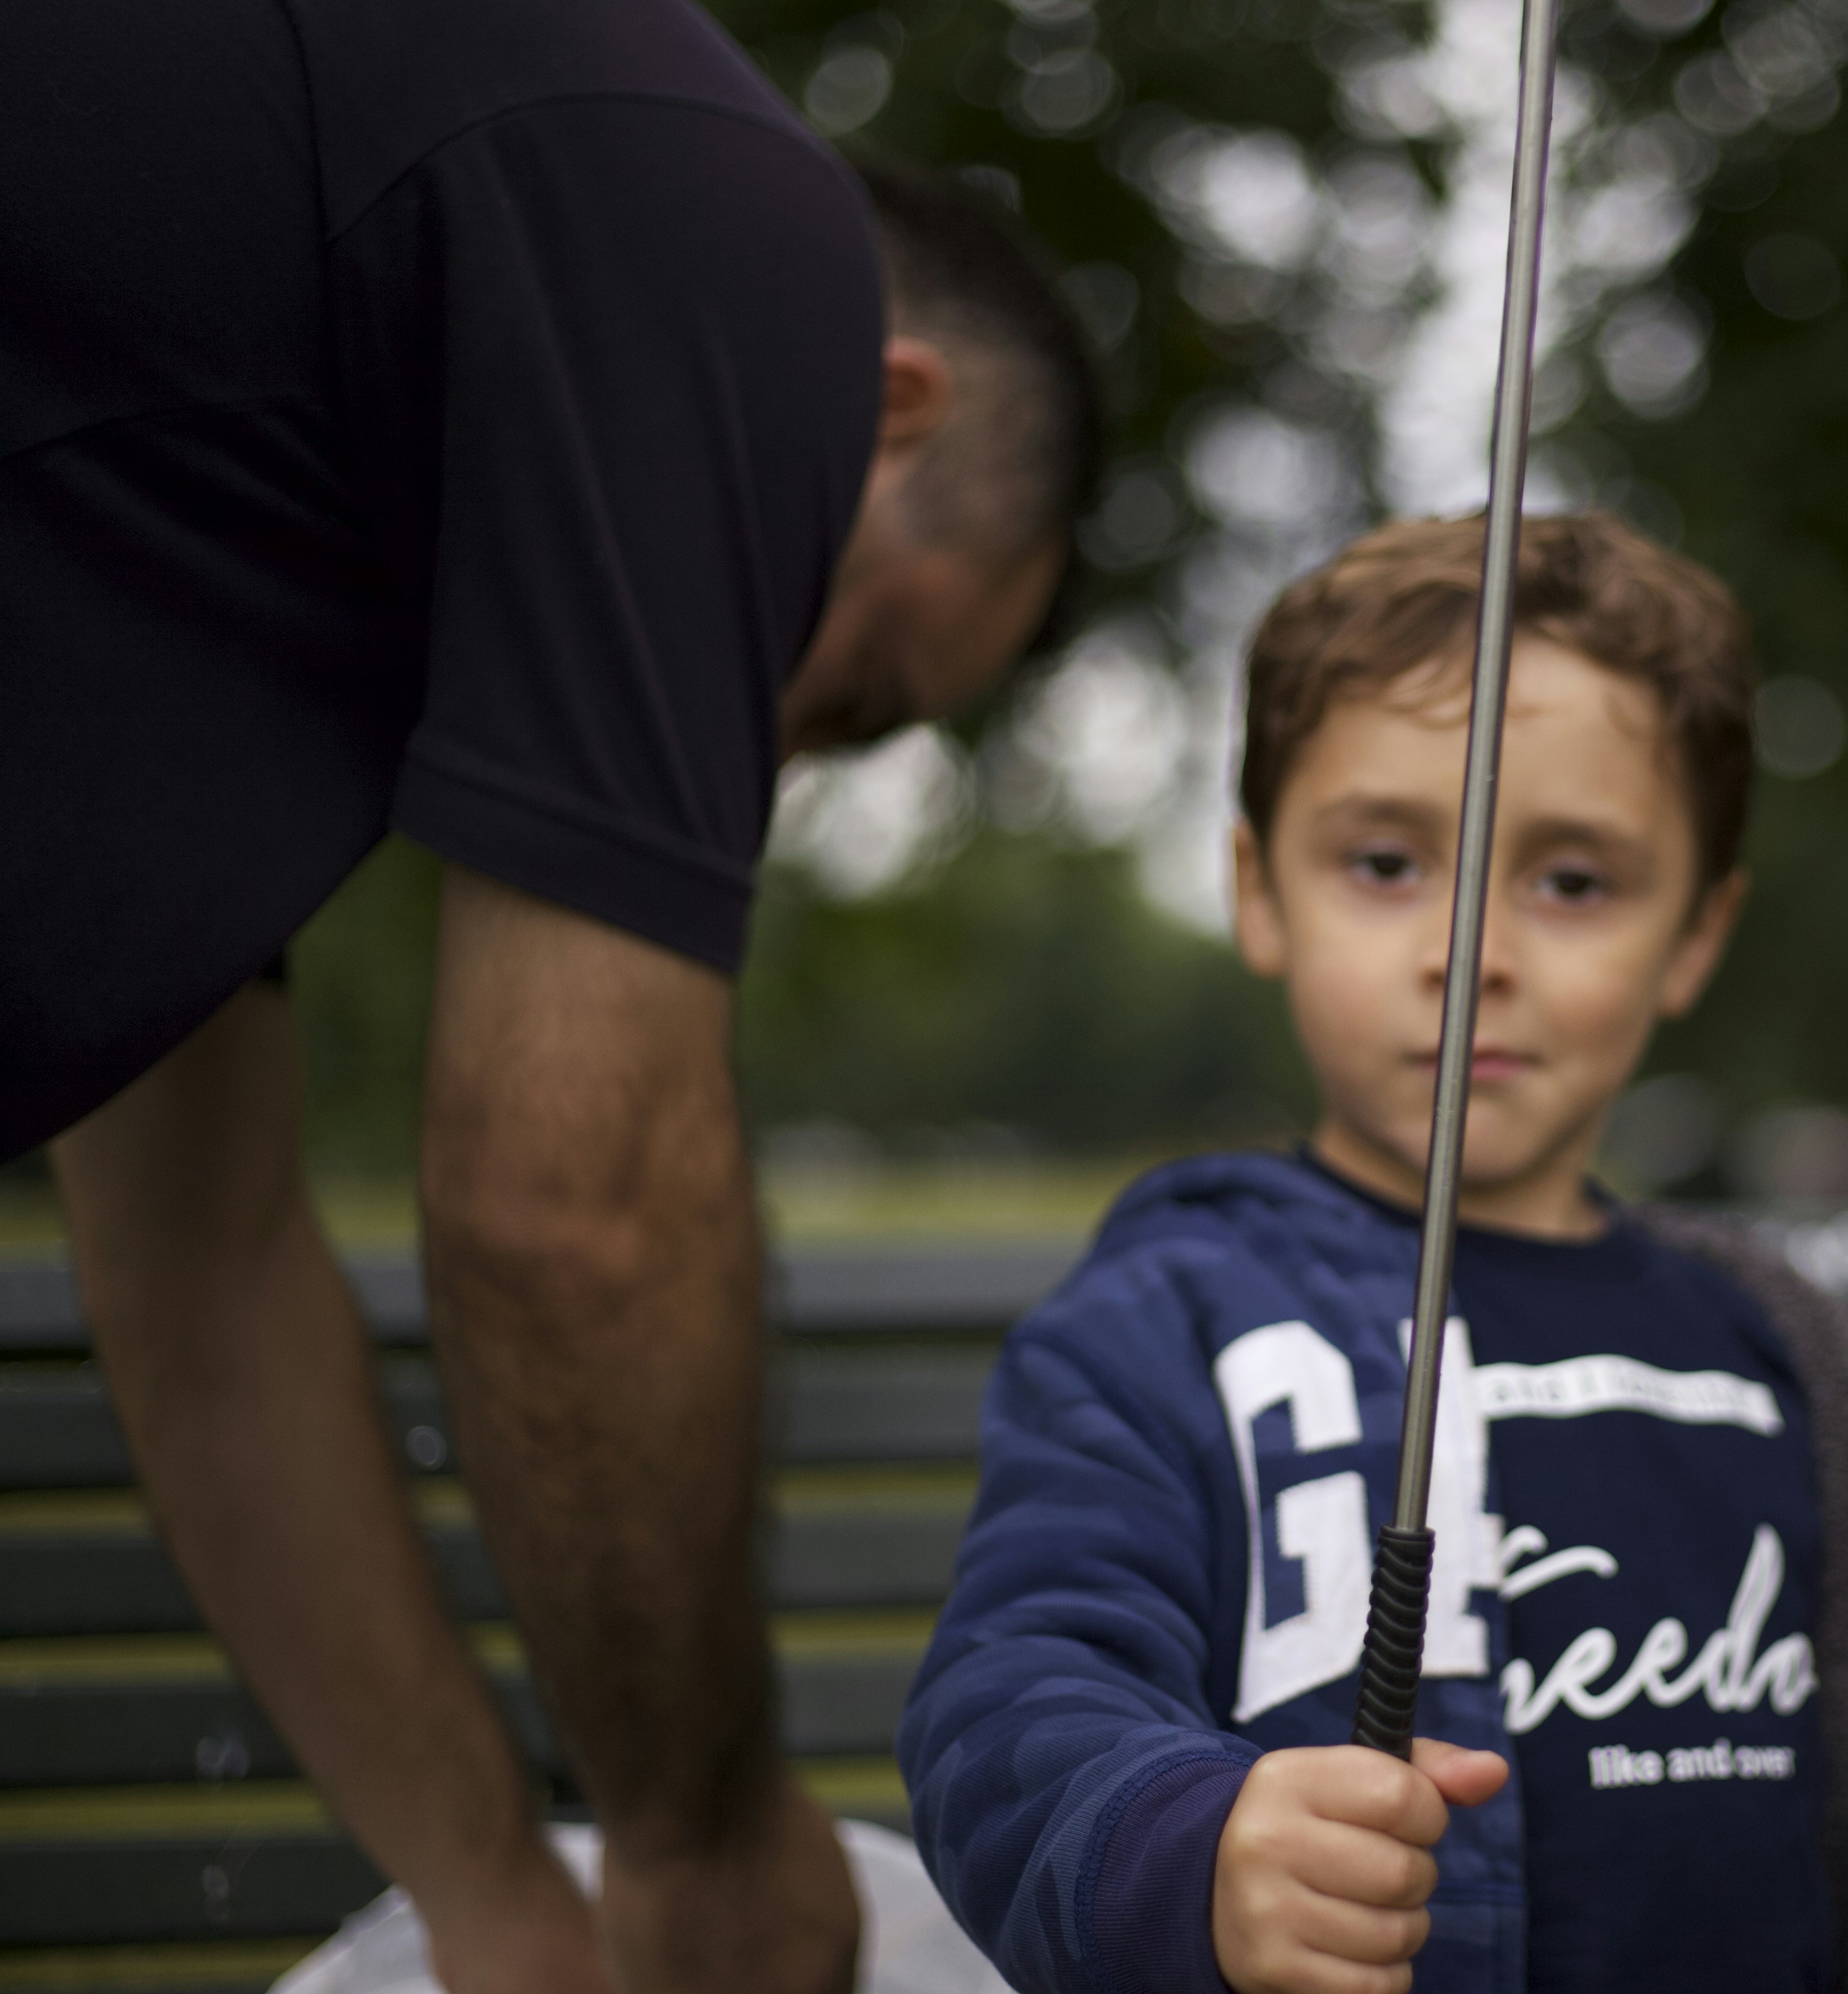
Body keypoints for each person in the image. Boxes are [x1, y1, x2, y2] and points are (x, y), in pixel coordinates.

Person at [2, 5, 1099, 1992]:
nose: (765, 769)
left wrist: (510, 1918)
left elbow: (202, 1274)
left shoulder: (228, 516)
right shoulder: (722, 221)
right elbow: (564, 1204)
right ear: (892, 409)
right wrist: (700, 1858)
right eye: (854, 692)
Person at [896, 513, 1848, 1994]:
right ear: (1259, 891)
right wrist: (1194, 1846)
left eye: (1574, 882)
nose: (1475, 947)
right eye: (1386, 861)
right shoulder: (1168, 1322)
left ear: (1696, 936)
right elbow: (1009, 1700)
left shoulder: (1781, 1353)